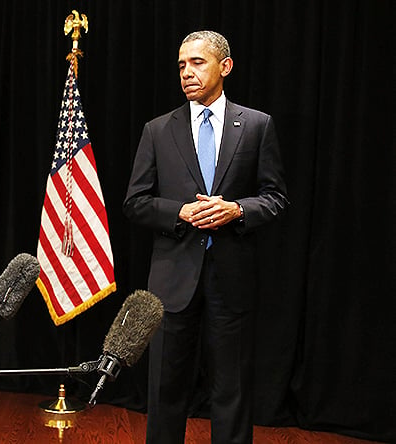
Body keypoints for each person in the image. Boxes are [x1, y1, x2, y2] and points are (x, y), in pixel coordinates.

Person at [123, 30, 289, 444]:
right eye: (181, 65)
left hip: (231, 279)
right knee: (166, 388)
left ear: (224, 67)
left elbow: (276, 198)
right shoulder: (158, 130)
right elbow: (135, 202)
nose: (187, 73)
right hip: (172, 279)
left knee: (231, 390)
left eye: (197, 62)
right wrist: (178, 211)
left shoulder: (256, 126)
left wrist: (238, 210)